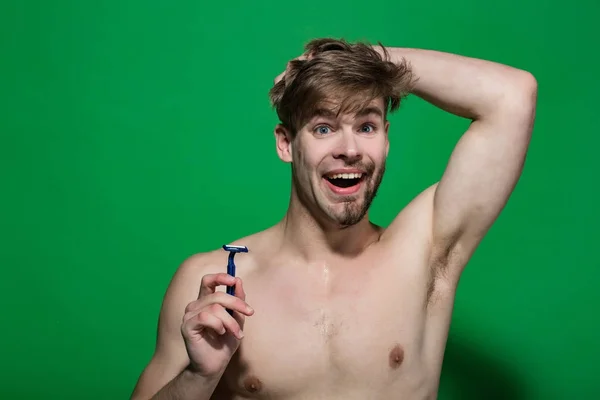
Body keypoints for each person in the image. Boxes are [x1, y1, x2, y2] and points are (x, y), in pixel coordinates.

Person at [130, 38, 537, 400]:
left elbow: (513, 95)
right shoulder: (213, 279)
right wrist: (199, 377)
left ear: (386, 138)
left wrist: (367, 60)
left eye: (366, 125)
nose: (349, 149)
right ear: (286, 144)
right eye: (324, 128)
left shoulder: (426, 250)